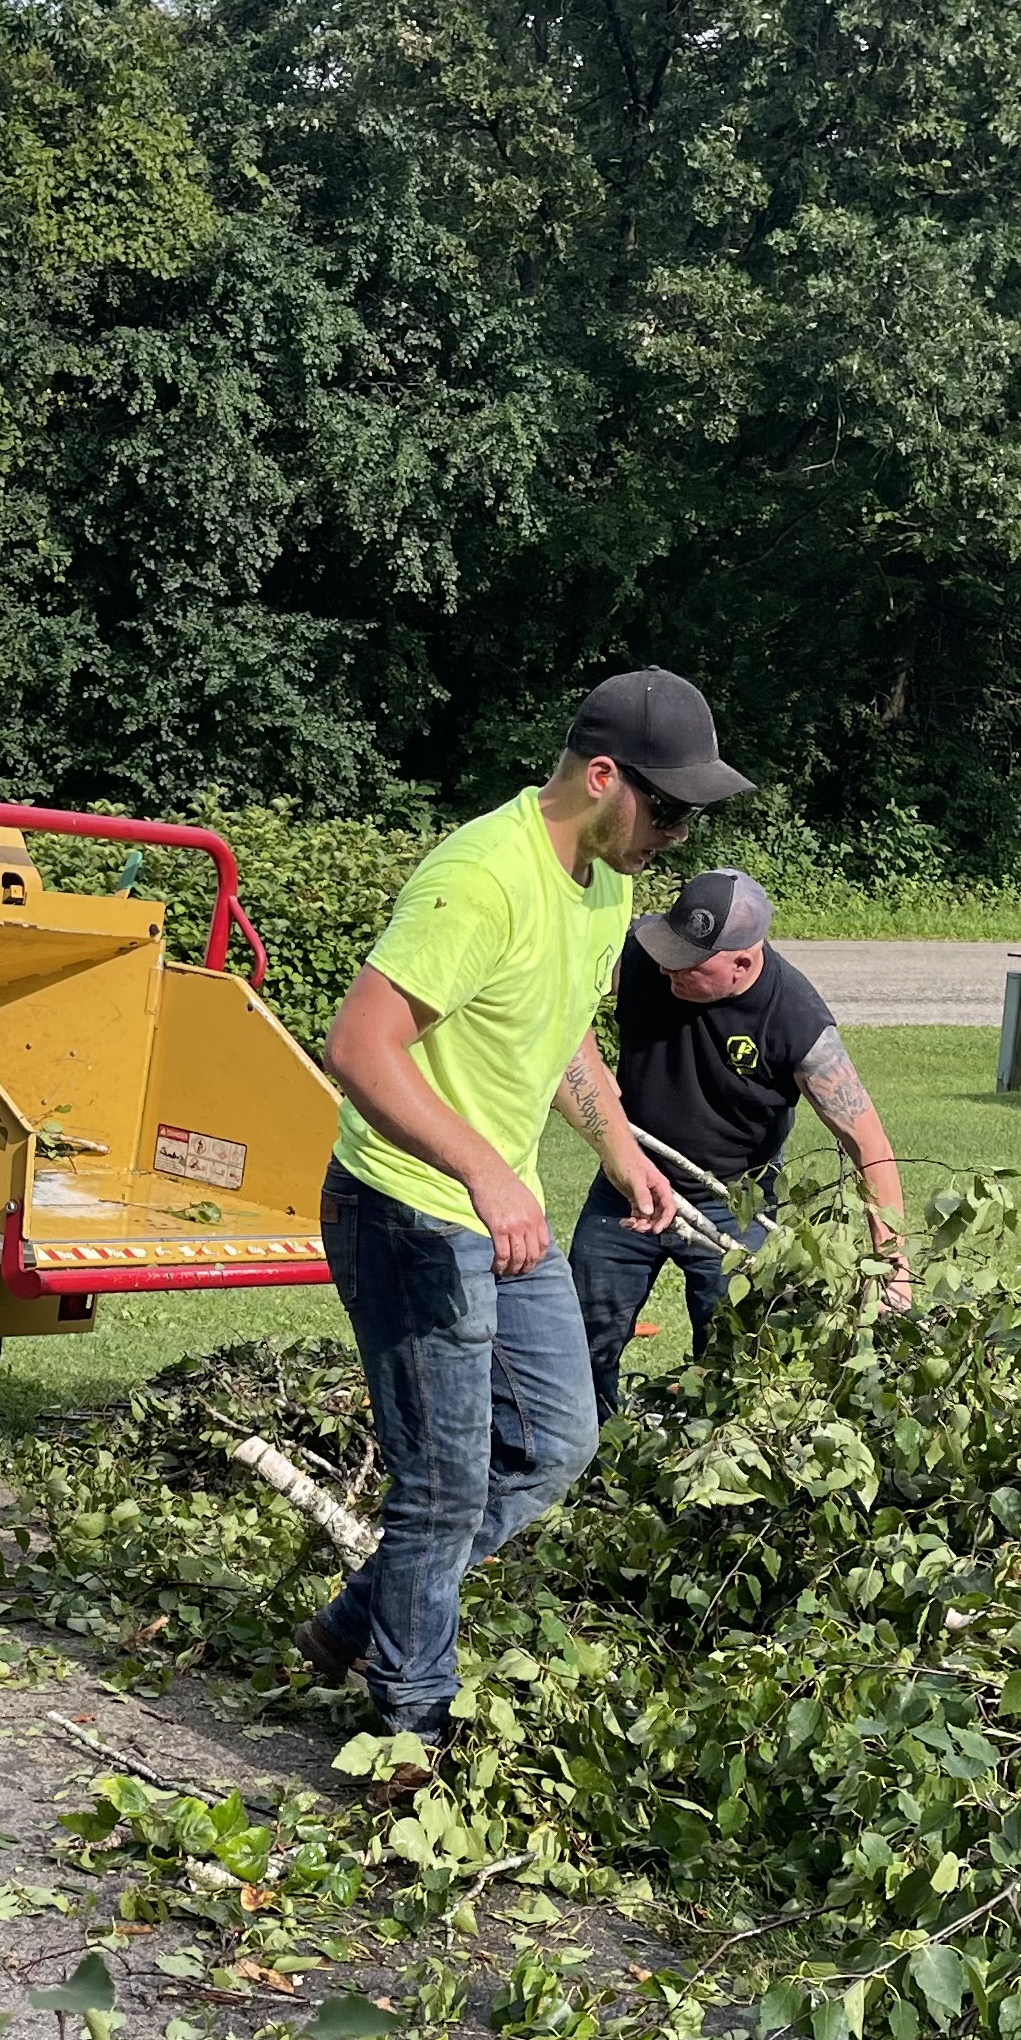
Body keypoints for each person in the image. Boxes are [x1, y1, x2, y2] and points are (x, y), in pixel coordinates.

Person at [306, 666, 755, 1777]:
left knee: (560, 1441)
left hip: (499, 1216)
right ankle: (407, 1737)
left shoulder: (600, 885)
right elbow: (359, 1045)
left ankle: (361, 1620)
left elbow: (555, 1033)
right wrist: (486, 1174)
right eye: (668, 807)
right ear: (604, 778)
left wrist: (622, 1155)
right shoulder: (482, 877)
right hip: (409, 1210)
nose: (677, 832)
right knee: (444, 1482)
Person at [568, 865, 909, 1419]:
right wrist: (589, 1064)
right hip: (626, 1187)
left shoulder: (795, 1019)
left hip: (730, 1206)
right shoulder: (642, 955)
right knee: (585, 1340)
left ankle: (706, 1476)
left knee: (729, 1358)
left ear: (742, 963)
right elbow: (555, 995)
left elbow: (869, 1144)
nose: (664, 967)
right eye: (665, 952)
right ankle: (589, 1460)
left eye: (686, 964)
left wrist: (892, 1268)